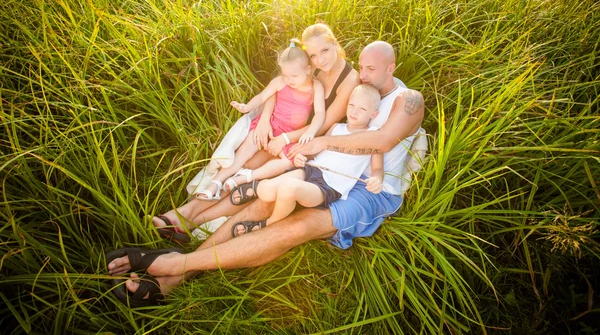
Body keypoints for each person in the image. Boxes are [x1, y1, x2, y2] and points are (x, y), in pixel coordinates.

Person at [107, 40, 425, 306]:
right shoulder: (359, 91)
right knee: (264, 196)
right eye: (361, 66)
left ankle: (176, 264)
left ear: (391, 68)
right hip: (331, 167)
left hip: (369, 190)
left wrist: (322, 142)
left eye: (371, 69)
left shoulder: (408, 100)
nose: (363, 75)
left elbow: (383, 141)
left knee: (297, 226)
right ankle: (176, 275)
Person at [151, 24, 360, 241]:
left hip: (305, 142)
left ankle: (195, 221)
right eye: (314, 55)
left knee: (253, 176)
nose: (321, 60)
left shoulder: (349, 79)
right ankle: (186, 212)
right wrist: (265, 121)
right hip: (277, 125)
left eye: (325, 51)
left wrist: (285, 139)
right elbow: (278, 88)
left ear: (335, 43)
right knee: (245, 161)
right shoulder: (310, 65)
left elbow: (322, 124)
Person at [231, 84, 383, 236]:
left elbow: (377, 169)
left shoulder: (373, 136)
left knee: (288, 188)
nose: (354, 111)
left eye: (362, 109)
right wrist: (302, 157)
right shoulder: (336, 127)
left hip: (329, 186)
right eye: (351, 105)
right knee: (267, 190)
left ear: (374, 114)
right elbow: (317, 152)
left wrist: (377, 180)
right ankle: (260, 188)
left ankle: (268, 224)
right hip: (311, 169)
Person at [193, 38, 326, 201]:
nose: (289, 80)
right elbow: (263, 96)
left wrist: (311, 130)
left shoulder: (315, 87)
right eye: (285, 75)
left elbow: (320, 113)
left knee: (288, 162)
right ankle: (215, 183)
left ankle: (247, 176)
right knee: (242, 154)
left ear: (307, 69)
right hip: (270, 126)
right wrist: (247, 107)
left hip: (290, 135)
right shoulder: (280, 82)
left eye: (294, 76)